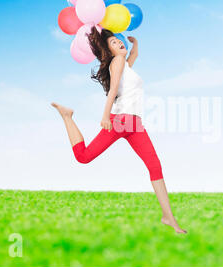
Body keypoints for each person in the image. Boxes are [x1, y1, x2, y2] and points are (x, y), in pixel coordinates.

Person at [51, 26, 187, 234]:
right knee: (84, 157)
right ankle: (67, 117)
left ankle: (168, 217)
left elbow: (134, 56)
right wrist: (105, 116)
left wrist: (135, 45)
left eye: (118, 40)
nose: (119, 42)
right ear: (111, 52)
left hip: (135, 125)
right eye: (114, 43)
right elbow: (113, 89)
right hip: (120, 121)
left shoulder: (126, 65)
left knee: (155, 165)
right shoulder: (118, 62)